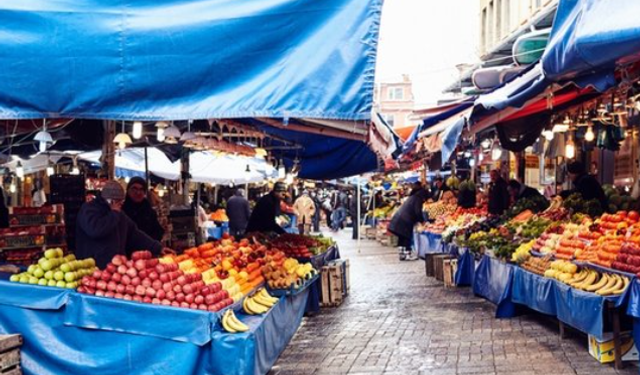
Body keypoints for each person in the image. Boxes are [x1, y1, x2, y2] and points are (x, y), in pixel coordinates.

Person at [76, 180, 170, 268]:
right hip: (93, 268)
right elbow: (95, 230)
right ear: (111, 201)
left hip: (117, 267)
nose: (121, 204)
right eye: (119, 202)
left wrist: (158, 248)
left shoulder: (119, 214)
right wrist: (114, 214)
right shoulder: (89, 210)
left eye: (122, 201)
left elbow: (135, 234)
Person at [388, 186, 429, 261]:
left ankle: (402, 254)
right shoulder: (417, 199)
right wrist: (422, 221)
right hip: (405, 220)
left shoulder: (413, 197)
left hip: (399, 219)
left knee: (402, 237)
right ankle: (407, 254)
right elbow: (417, 212)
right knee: (406, 237)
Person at [122, 177, 164, 242]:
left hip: (148, 250)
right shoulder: (122, 211)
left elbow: (158, 232)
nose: (138, 192)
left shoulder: (149, 211)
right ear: (128, 190)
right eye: (134, 189)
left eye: (141, 189)